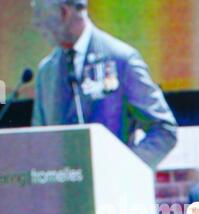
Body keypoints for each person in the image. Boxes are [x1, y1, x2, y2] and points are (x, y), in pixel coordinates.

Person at [31, 0, 177, 169]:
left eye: (40, 14)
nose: (36, 23)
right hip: (63, 191)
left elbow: (164, 129)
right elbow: (38, 142)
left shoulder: (121, 60)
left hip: (115, 191)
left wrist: (126, 169)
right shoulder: (46, 73)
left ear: (64, 12)